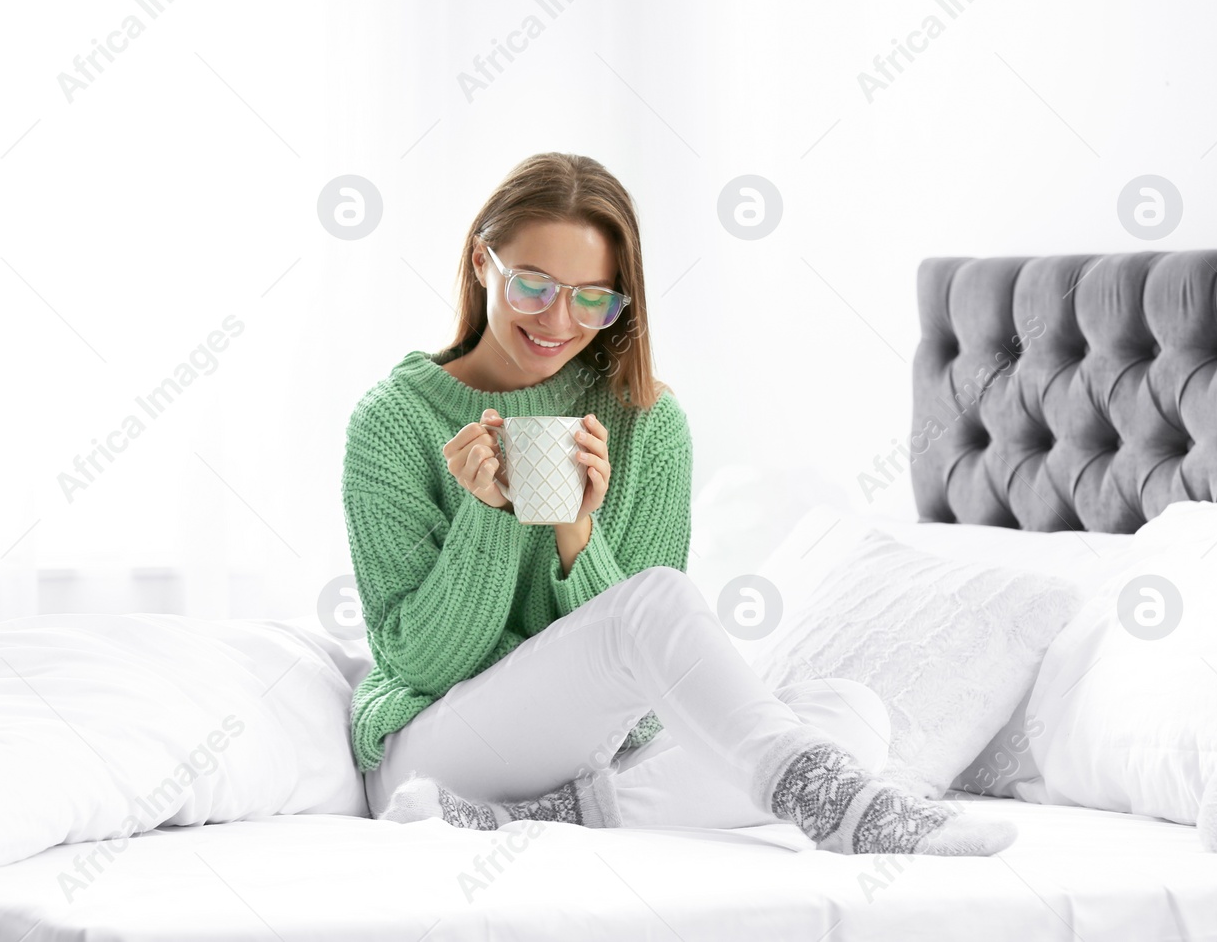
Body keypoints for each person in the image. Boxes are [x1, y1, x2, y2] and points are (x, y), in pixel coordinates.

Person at [341, 152, 1014, 856]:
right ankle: (846, 811)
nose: (560, 320)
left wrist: (577, 530)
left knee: (853, 714)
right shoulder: (393, 419)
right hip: (437, 748)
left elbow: (635, 699)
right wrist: (489, 515)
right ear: (483, 264)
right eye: (534, 286)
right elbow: (421, 665)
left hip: (585, 755)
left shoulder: (648, 423)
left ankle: (541, 815)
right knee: (658, 599)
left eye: (592, 297)